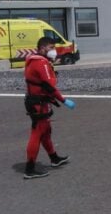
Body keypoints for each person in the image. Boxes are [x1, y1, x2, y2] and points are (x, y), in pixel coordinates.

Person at [23, 37, 75, 179]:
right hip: (38, 103)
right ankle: (30, 169)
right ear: (43, 48)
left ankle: (54, 158)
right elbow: (49, 85)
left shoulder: (33, 60)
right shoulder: (40, 62)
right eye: (51, 47)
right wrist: (64, 101)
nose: (54, 51)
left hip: (38, 101)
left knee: (45, 132)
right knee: (37, 133)